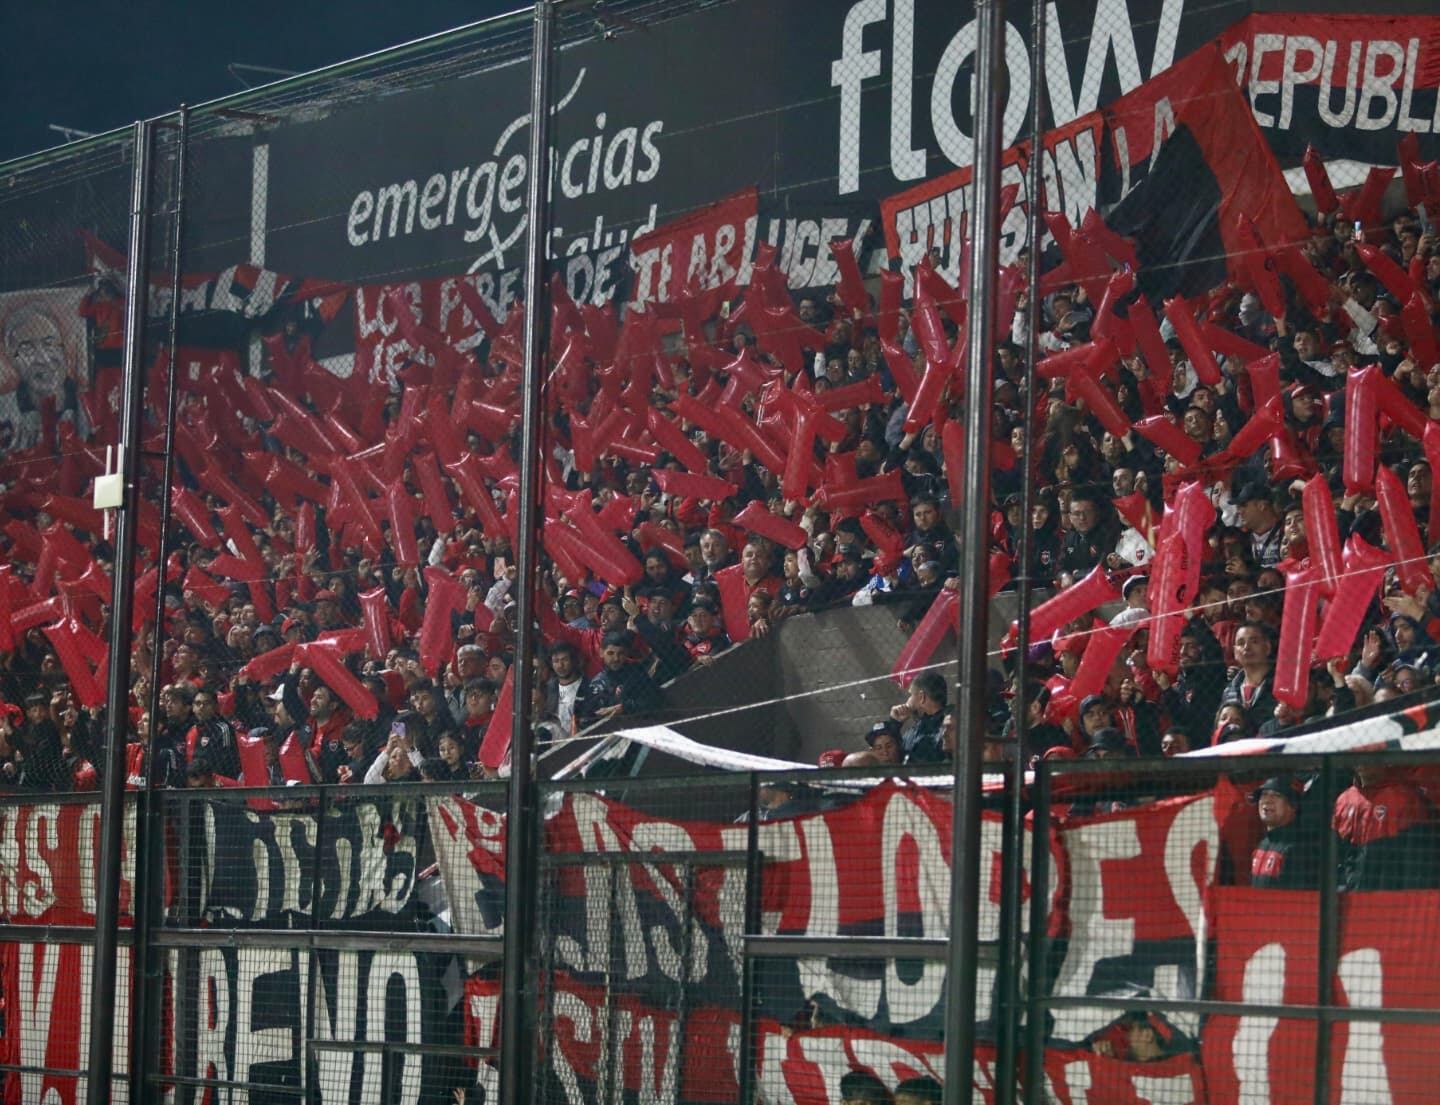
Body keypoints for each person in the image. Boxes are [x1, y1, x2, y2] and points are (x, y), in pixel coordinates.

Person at [1250, 775, 1321, 889]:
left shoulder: (1298, 848)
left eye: (1276, 795)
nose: (1267, 801)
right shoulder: (1263, 844)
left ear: (1293, 806)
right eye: (1264, 794)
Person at [888, 671, 947, 764]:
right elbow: (896, 755)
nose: (908, 700)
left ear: (921, 697)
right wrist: (895, 724)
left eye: (911, 695)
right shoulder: (919, 727)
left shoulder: (945, 728)